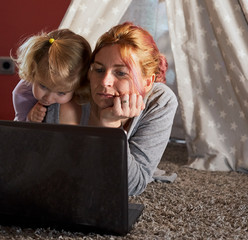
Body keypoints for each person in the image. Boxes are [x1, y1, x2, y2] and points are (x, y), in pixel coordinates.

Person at [87, 22, 178, 195]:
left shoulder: (160, 101)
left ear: (148, 82)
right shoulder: (75, 90)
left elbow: (131, 186)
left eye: (121, 73)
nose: (104, 82)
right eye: (99, 69)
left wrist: (111, 127)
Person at [12, 29, 91, 124]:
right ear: (33, 72)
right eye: (43, 86)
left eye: (61, 93)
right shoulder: (22, 94)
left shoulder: (85, 93)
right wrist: (29, 118)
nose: (48, 98)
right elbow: (18, 131)